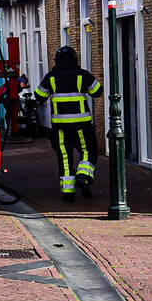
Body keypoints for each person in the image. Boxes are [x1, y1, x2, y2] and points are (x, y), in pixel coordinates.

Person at [34, 46, 103, 201]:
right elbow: (98, 91)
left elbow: (39, 95)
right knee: (88, 150)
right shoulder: (82, 75)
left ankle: (68, 191)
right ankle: (83, 176)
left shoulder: (51, 77)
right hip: (82, 124)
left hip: (60, 126)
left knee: (64, 156)